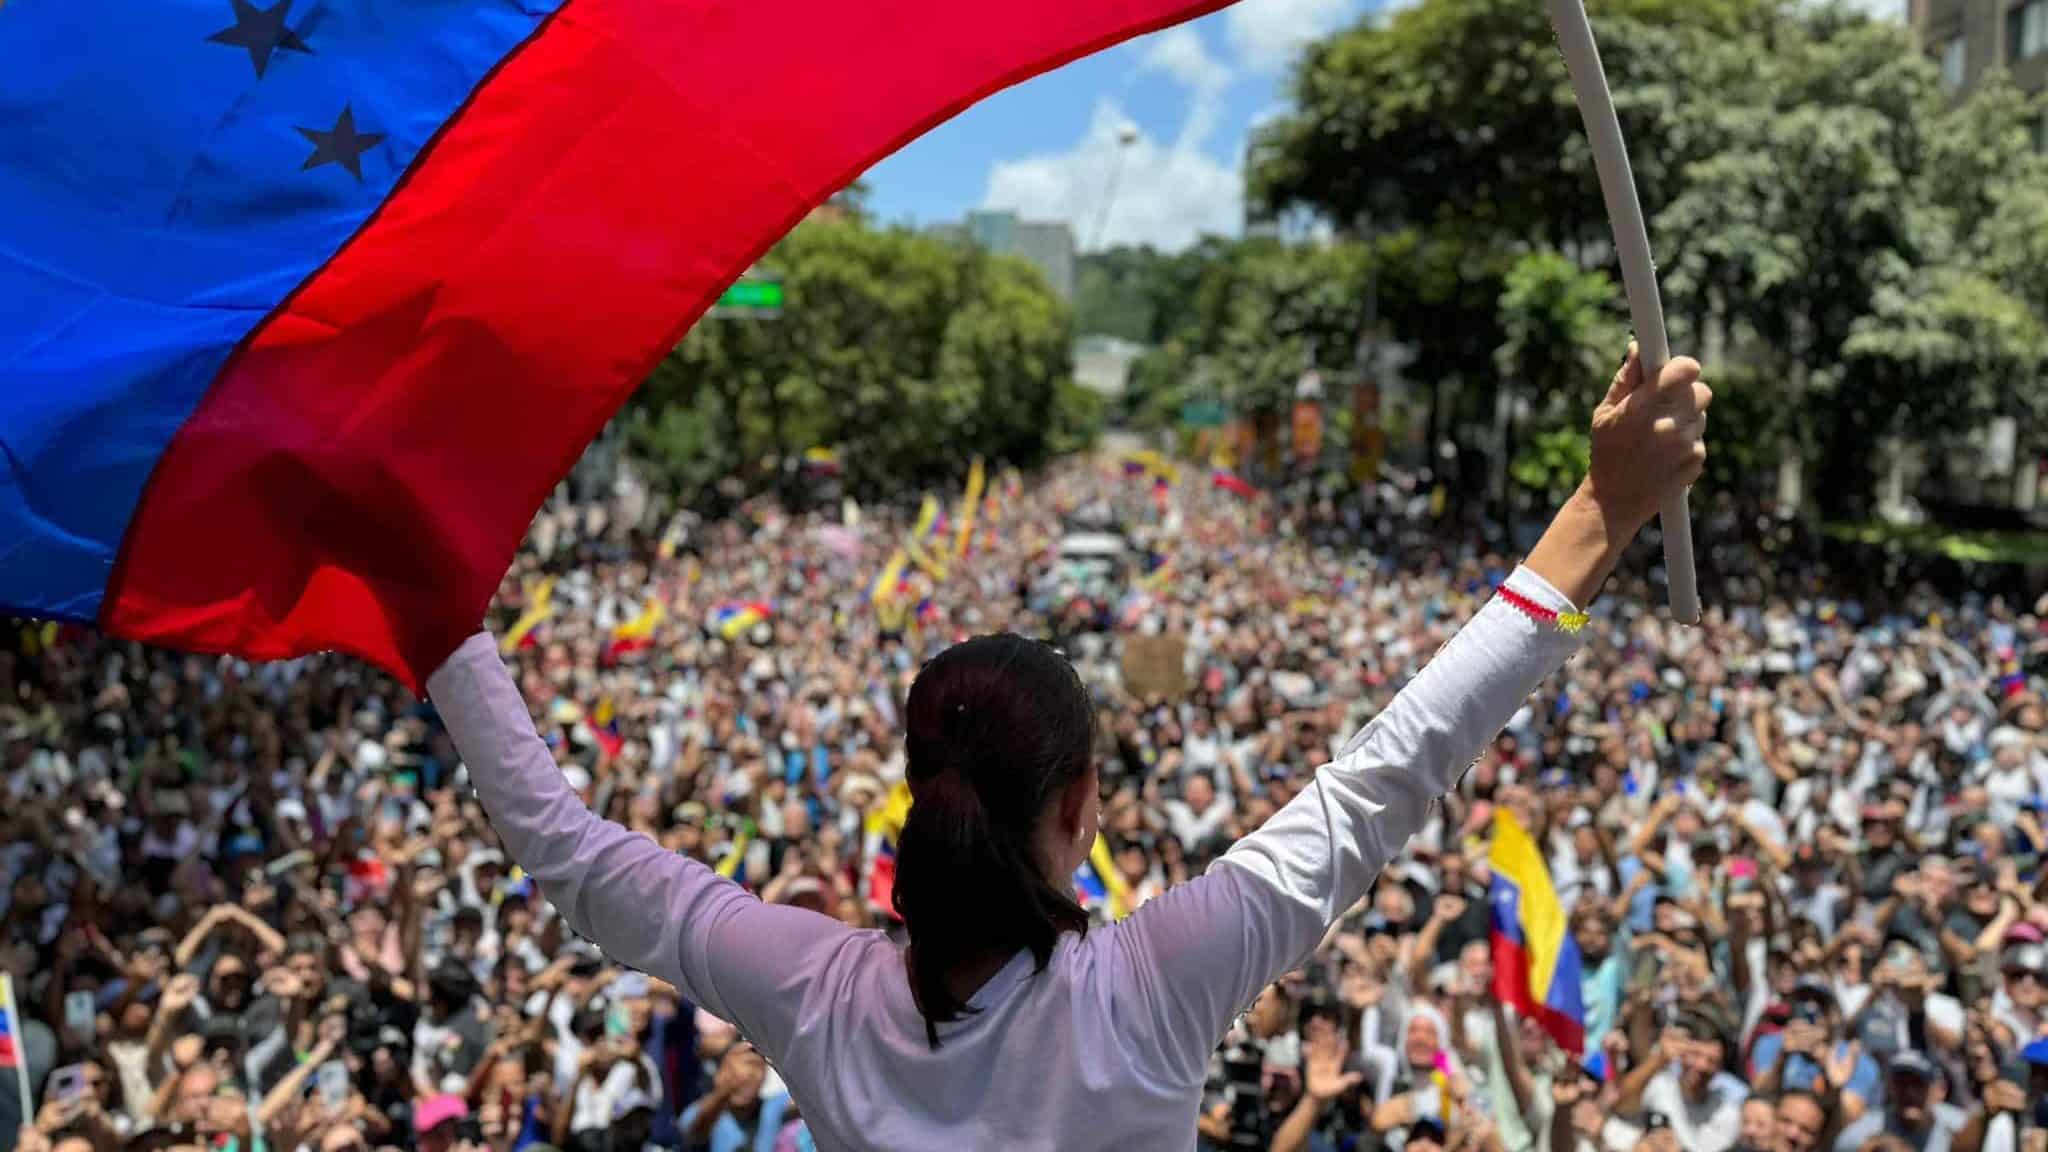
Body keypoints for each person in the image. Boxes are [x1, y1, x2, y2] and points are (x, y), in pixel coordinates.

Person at [423, 345, 1710, 1148]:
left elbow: (571, 856)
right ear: (1084, 804)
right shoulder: (1152, 984)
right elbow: (1393, 767)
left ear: (917, 797)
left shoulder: (812, 990)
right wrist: (1597, 513)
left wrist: (442, 629)